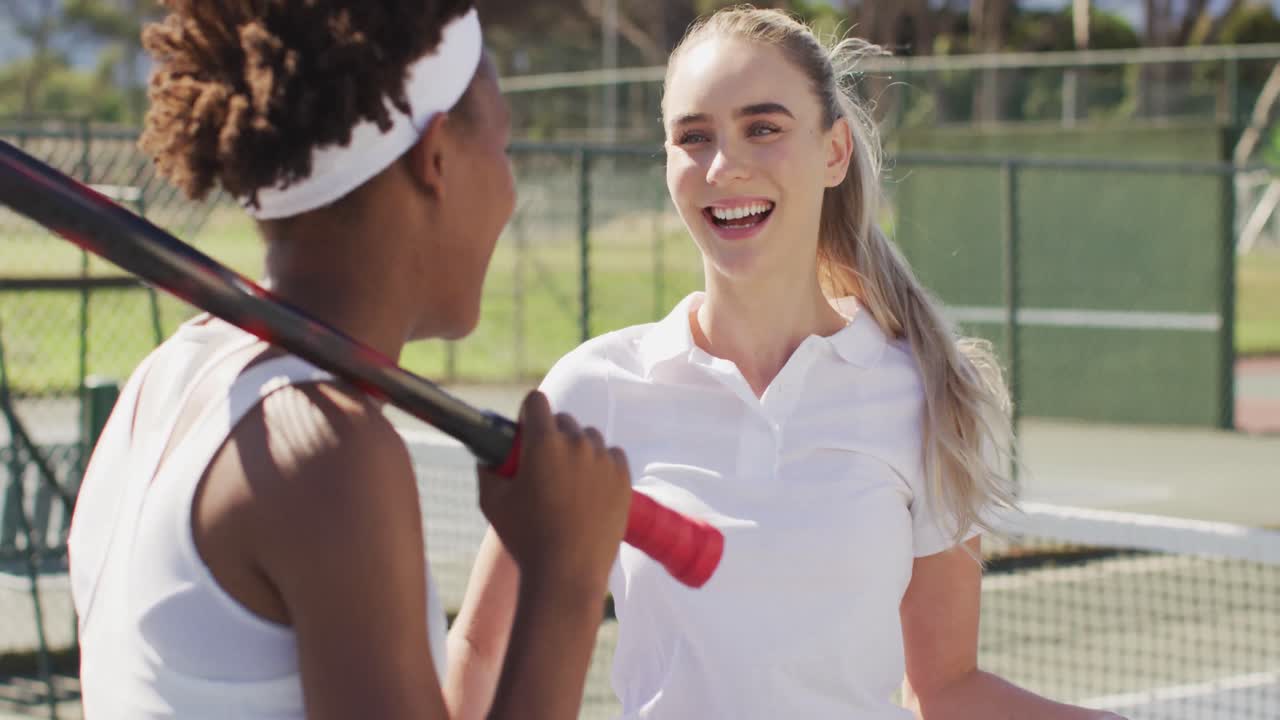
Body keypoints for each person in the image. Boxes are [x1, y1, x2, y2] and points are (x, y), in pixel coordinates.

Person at [448, 8, 1126, 720]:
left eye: (763, 128)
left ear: (833, 152)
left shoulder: (927, 394)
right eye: (693, 137)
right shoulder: (593, 391)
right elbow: (480, 652)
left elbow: (946, 687)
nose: (723, 166)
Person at [67, 2, 633, 719]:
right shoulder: (325, 455)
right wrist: (568, 575)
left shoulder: (171, 374)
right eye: (505, 149)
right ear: (436, 159)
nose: (511, 191)